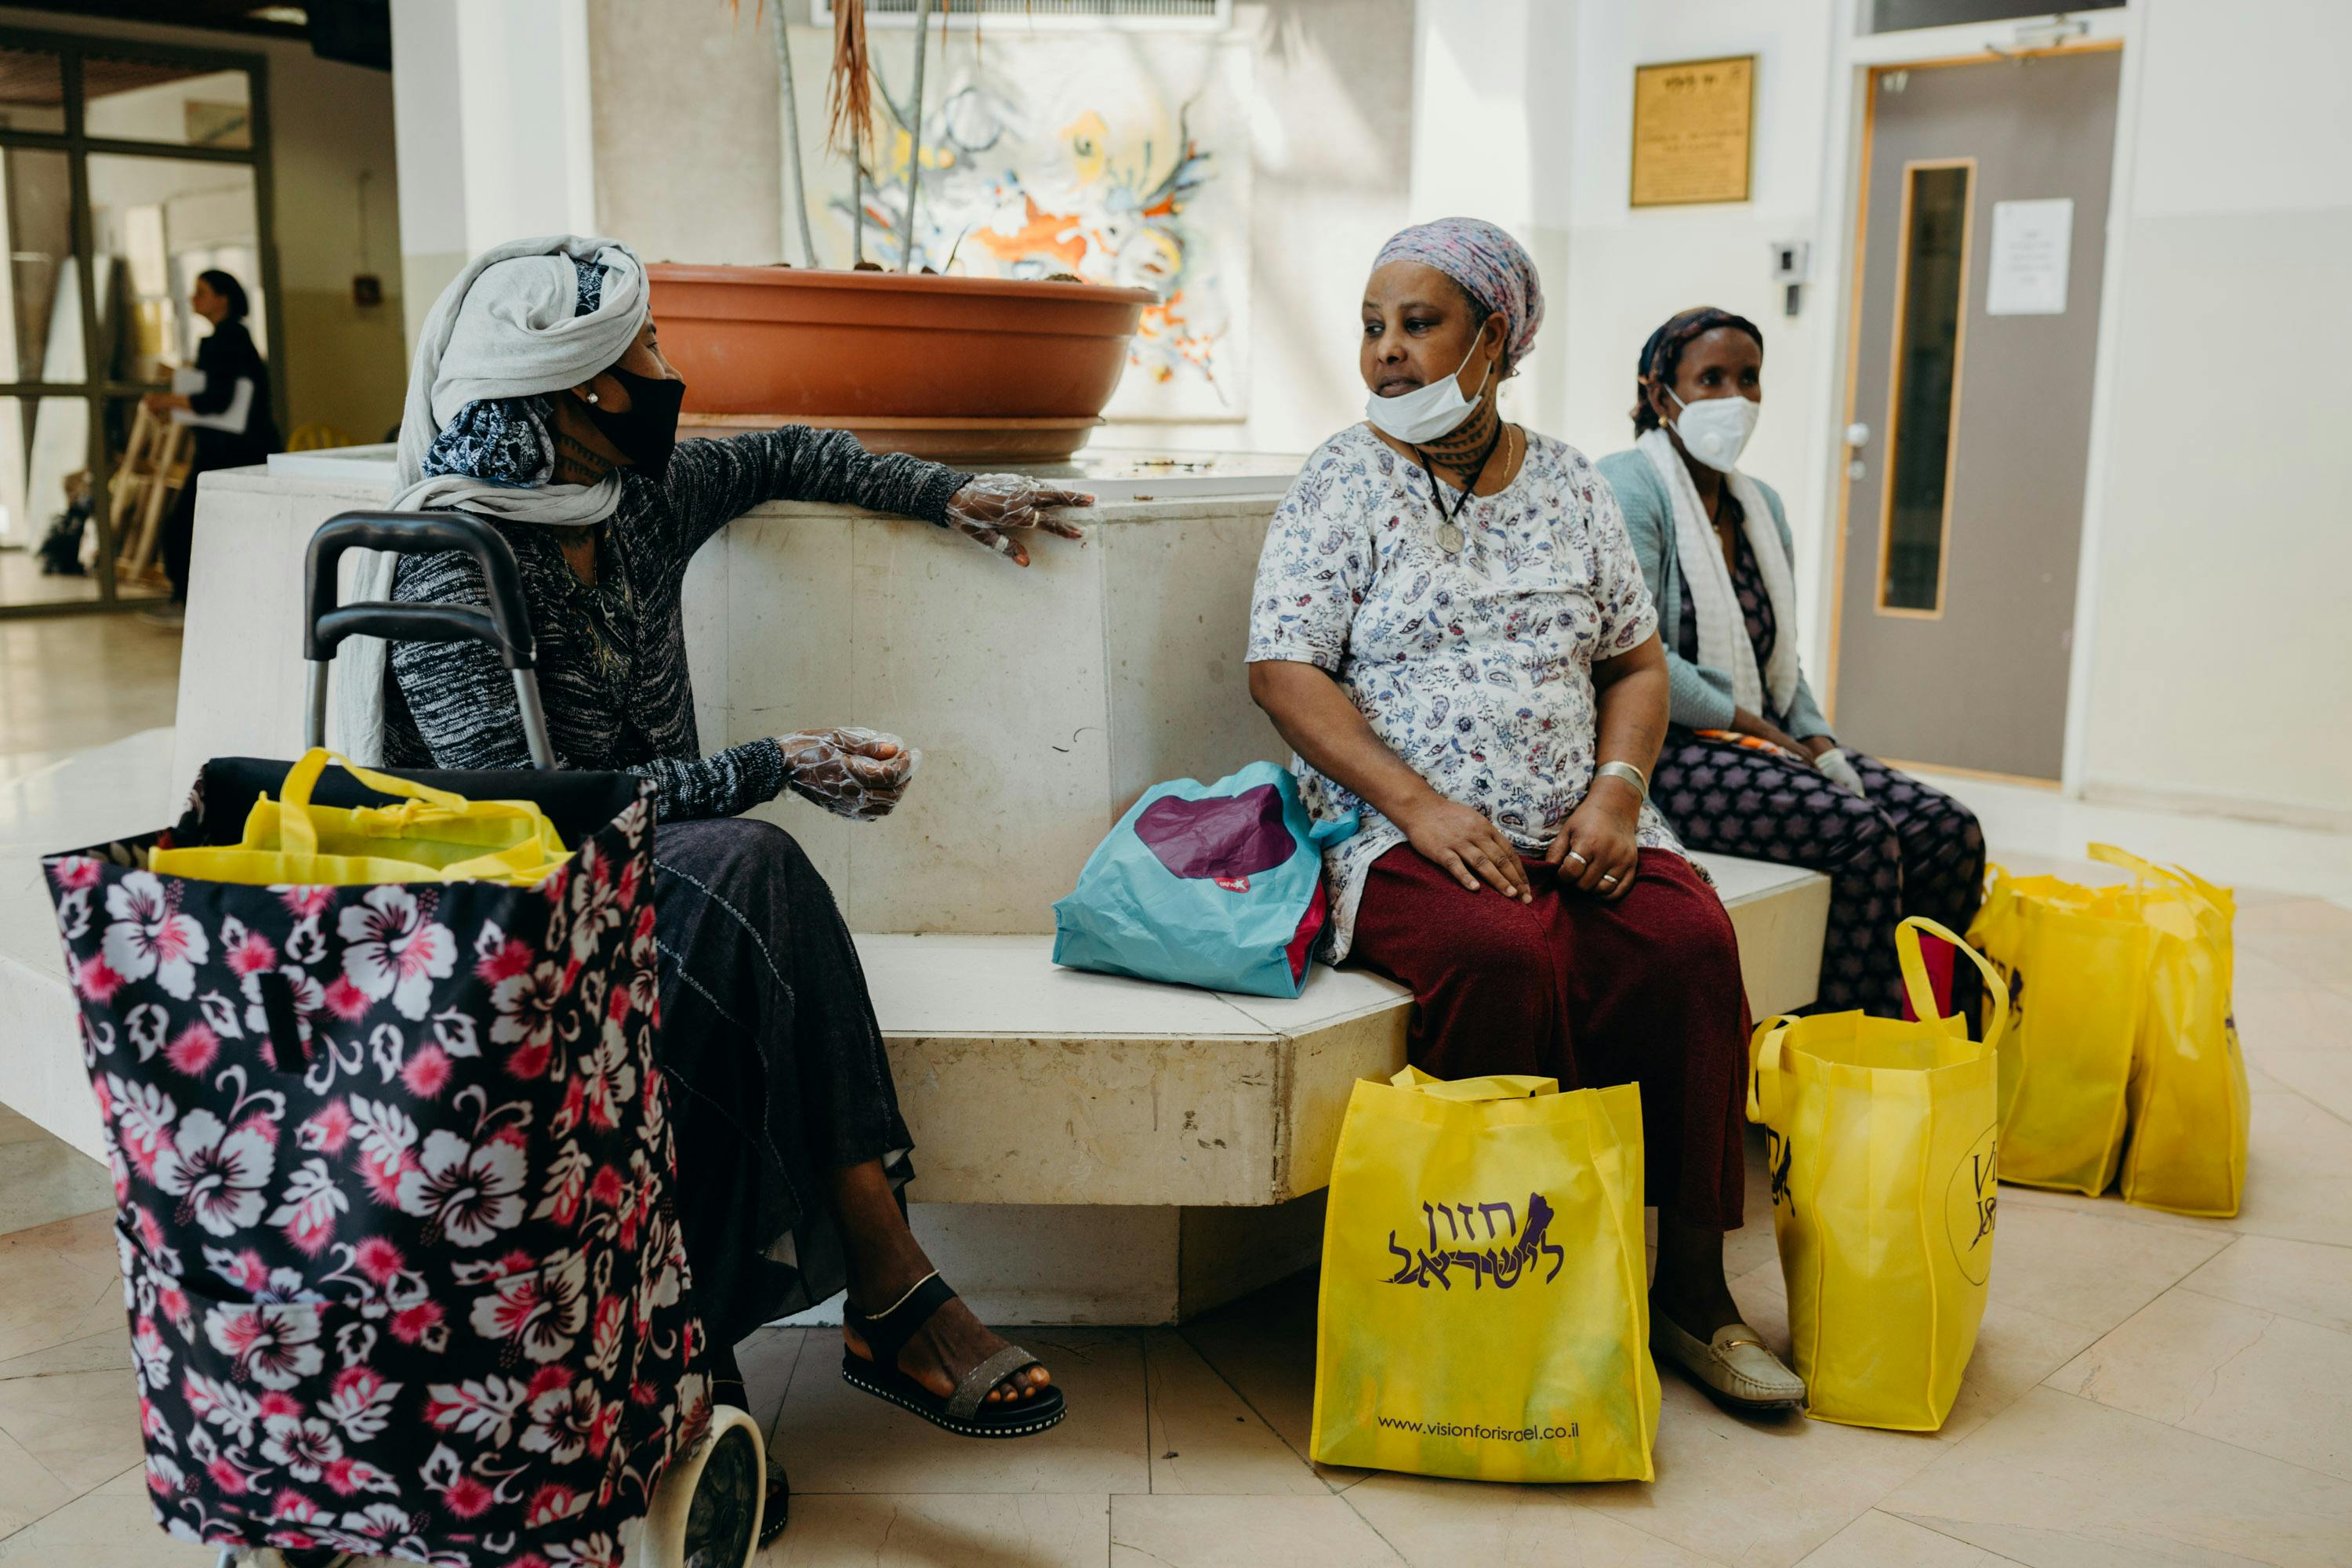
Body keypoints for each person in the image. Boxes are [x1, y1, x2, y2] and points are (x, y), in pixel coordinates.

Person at [333, 236, 1080, 1537]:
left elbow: (792, 449)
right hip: (502, 922)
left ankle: (706, 1365)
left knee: (739, 904)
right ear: (563, 402)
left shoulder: (635, 501)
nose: (669, 379)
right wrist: (766, 766)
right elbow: (528, 821)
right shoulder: (448, 564)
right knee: (747, 868)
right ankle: (873, 1292)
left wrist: (945, 495)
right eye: (641, 363)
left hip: (659, 893)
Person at [1246, 220, 1803, 1411]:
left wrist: (1618, 794)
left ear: (1494, 338)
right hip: (1399, 833)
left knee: (1692, 947)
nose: (1386, 353)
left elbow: (1636, 666)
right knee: (1506, 954)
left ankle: (1693, 1297)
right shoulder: (1345, 477)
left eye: (1419, 324)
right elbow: (1285, 670)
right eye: (1373, 327)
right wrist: (1422, 808)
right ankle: (1511, 1289)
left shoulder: (1567, 485)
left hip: (1581, 824)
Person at [1598, 307, 1985, 1019]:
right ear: (1661, 395)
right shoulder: (1628, 487)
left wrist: (1816, 741)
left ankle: (1926, 1039)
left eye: (1749, 380)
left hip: (1760, 739)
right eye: (1710, 380)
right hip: (1668, 754)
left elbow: (1784, 659)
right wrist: (1755, 728)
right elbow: (1635, 654)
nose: (1735, 400)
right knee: (1862, 834)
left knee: (1947, 830)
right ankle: (1837, 1061)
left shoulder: (1759, 506)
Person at [145, 269, 278, 610]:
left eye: (201, 292)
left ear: (223, 299)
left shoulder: (227, 340)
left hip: (231, 452)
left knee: (185, 527)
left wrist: (167, 401)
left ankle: (192, 598)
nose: (194, 298)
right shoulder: (229, 338)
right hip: (232, 449)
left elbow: (217, 399)